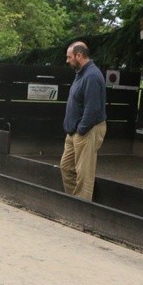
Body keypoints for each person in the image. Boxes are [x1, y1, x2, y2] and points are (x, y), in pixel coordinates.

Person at [60, 41, 107, 201]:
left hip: (87, 131)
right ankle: (74, 203)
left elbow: (92, 108)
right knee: (66, 168)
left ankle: (82, 212)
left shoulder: (92, 76)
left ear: (79, 56)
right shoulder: (80, 73)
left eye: (69, 57)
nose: (67, 60)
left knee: (84, 174)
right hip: (73, 131)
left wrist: (81, 129)